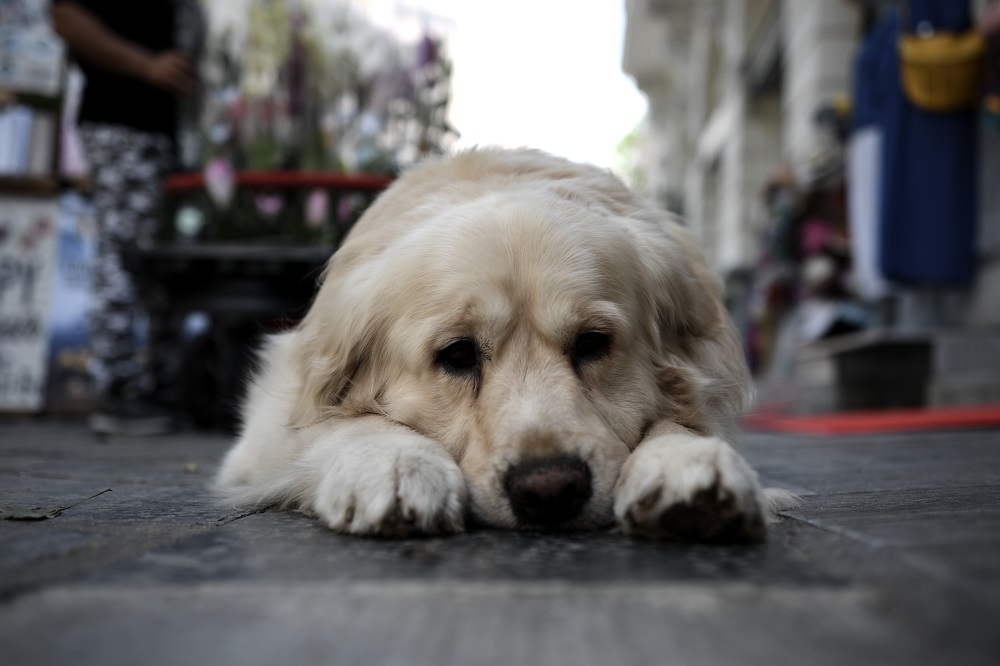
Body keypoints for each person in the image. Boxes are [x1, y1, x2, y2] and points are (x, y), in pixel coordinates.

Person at [52, 0, 201, 435]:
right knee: (125, 253)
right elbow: (65, 16)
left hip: (177, 132)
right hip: (124, 121)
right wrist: (146, 64)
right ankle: (115, 390)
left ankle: (164, 388)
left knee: (171, 262)